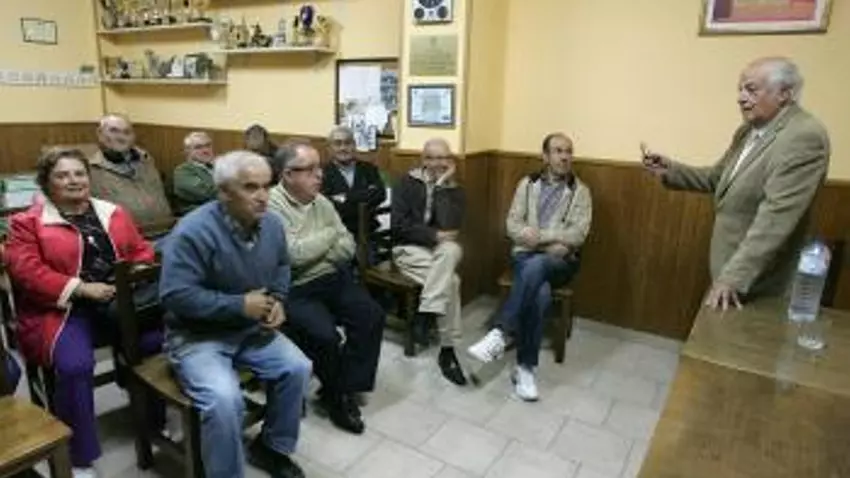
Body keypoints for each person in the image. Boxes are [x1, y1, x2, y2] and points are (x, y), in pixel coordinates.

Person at [4, 147, 161, 478]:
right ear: (47, 182)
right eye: (62, 175)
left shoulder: (113, 212)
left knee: (153, 344)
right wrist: (80, 288)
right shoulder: (26, 222)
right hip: (61, 309)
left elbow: (141, 249)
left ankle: (152, 421)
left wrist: (135, 269)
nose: (73, 180)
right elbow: (26, 271)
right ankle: (79, 456)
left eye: (79, 173)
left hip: (117, 303)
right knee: (75, 366)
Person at [160, 150, 310, 478]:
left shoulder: (272, 224)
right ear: (224, 192)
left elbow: (282, 265)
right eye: (250, 187)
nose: (263, 196)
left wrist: (278, 299)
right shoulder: (192, 231)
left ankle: (272, 448)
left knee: (298, 367)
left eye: (266, 186)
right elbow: (175, 295)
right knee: (224, 400)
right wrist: (239, 305)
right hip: (197, 337)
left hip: (248, 329)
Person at [642, 57, 831, 310]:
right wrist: (670, 170)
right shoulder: (747, 132)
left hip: (761, 281)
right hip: (730, 270)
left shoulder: (804, 136)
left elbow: (776, 218)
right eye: (740, 90)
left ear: (784, 94)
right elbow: (718, 179)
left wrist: (733, 278)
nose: (741, 98)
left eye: (751, 90)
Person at [268, 140, 385, 435]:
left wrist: (321, 246)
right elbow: (293, 256)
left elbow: (348, 246)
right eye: (309, 169)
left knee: (371, 315)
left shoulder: (321, 201)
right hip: (295, 286)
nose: (319, 175)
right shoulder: (271, 206)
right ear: (288, 174)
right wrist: (330, 235)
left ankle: (342, 386)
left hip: (333, 275)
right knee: (325, 336)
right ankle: (337, 398)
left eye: (318, 167)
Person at [467, 133, 592, 401]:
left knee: (539, 264)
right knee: (541, 294)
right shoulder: (527, 184)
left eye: (568, 151)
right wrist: (542, 238)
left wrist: (540, 238)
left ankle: (501, 332)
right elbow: (512, 224)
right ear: (545, 156)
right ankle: (525, 369)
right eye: (558, 151)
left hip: (561, 263)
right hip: (526, 256)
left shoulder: (580, 191)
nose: (565, 157)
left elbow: (578, 234)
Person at [391, 138, 467, 386]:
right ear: (423, 160)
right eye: (431, 158)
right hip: (408, 249)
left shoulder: (455, 190)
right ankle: (448, 351)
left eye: (443, 158)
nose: (437, 163)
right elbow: (398, 226)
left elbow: (451, 226)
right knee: (452, 282)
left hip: (440, 253)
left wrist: (442, 186)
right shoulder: (406, 183)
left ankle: (427, 310)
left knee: (453, 248)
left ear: (450, 161)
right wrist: (433, 235)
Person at [88, 114, 174, 234]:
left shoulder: (147, 160)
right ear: (100, 134)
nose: (121, 137)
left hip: (168, 230)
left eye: (127, 132)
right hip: (129, 238)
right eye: (114, 131)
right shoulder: (91, 170)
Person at [321, 126, 387, 247]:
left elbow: (380, 194)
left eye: (348, 143)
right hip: (336, 234)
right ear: (329, 148)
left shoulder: (369, 169)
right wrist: (364, 196)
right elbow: (325, 203)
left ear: (354, 146)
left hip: (368, 233)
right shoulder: (321, 172)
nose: (343, 148)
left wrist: (345, 197)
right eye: (337, 144)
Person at [172, 131, 217, 216]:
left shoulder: (218, 166)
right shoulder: (183, 171)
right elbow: (207, 193)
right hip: (199, 215)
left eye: (208, 146)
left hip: (221, 212)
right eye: (198, 147)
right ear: (187, 151)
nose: (206, 150)